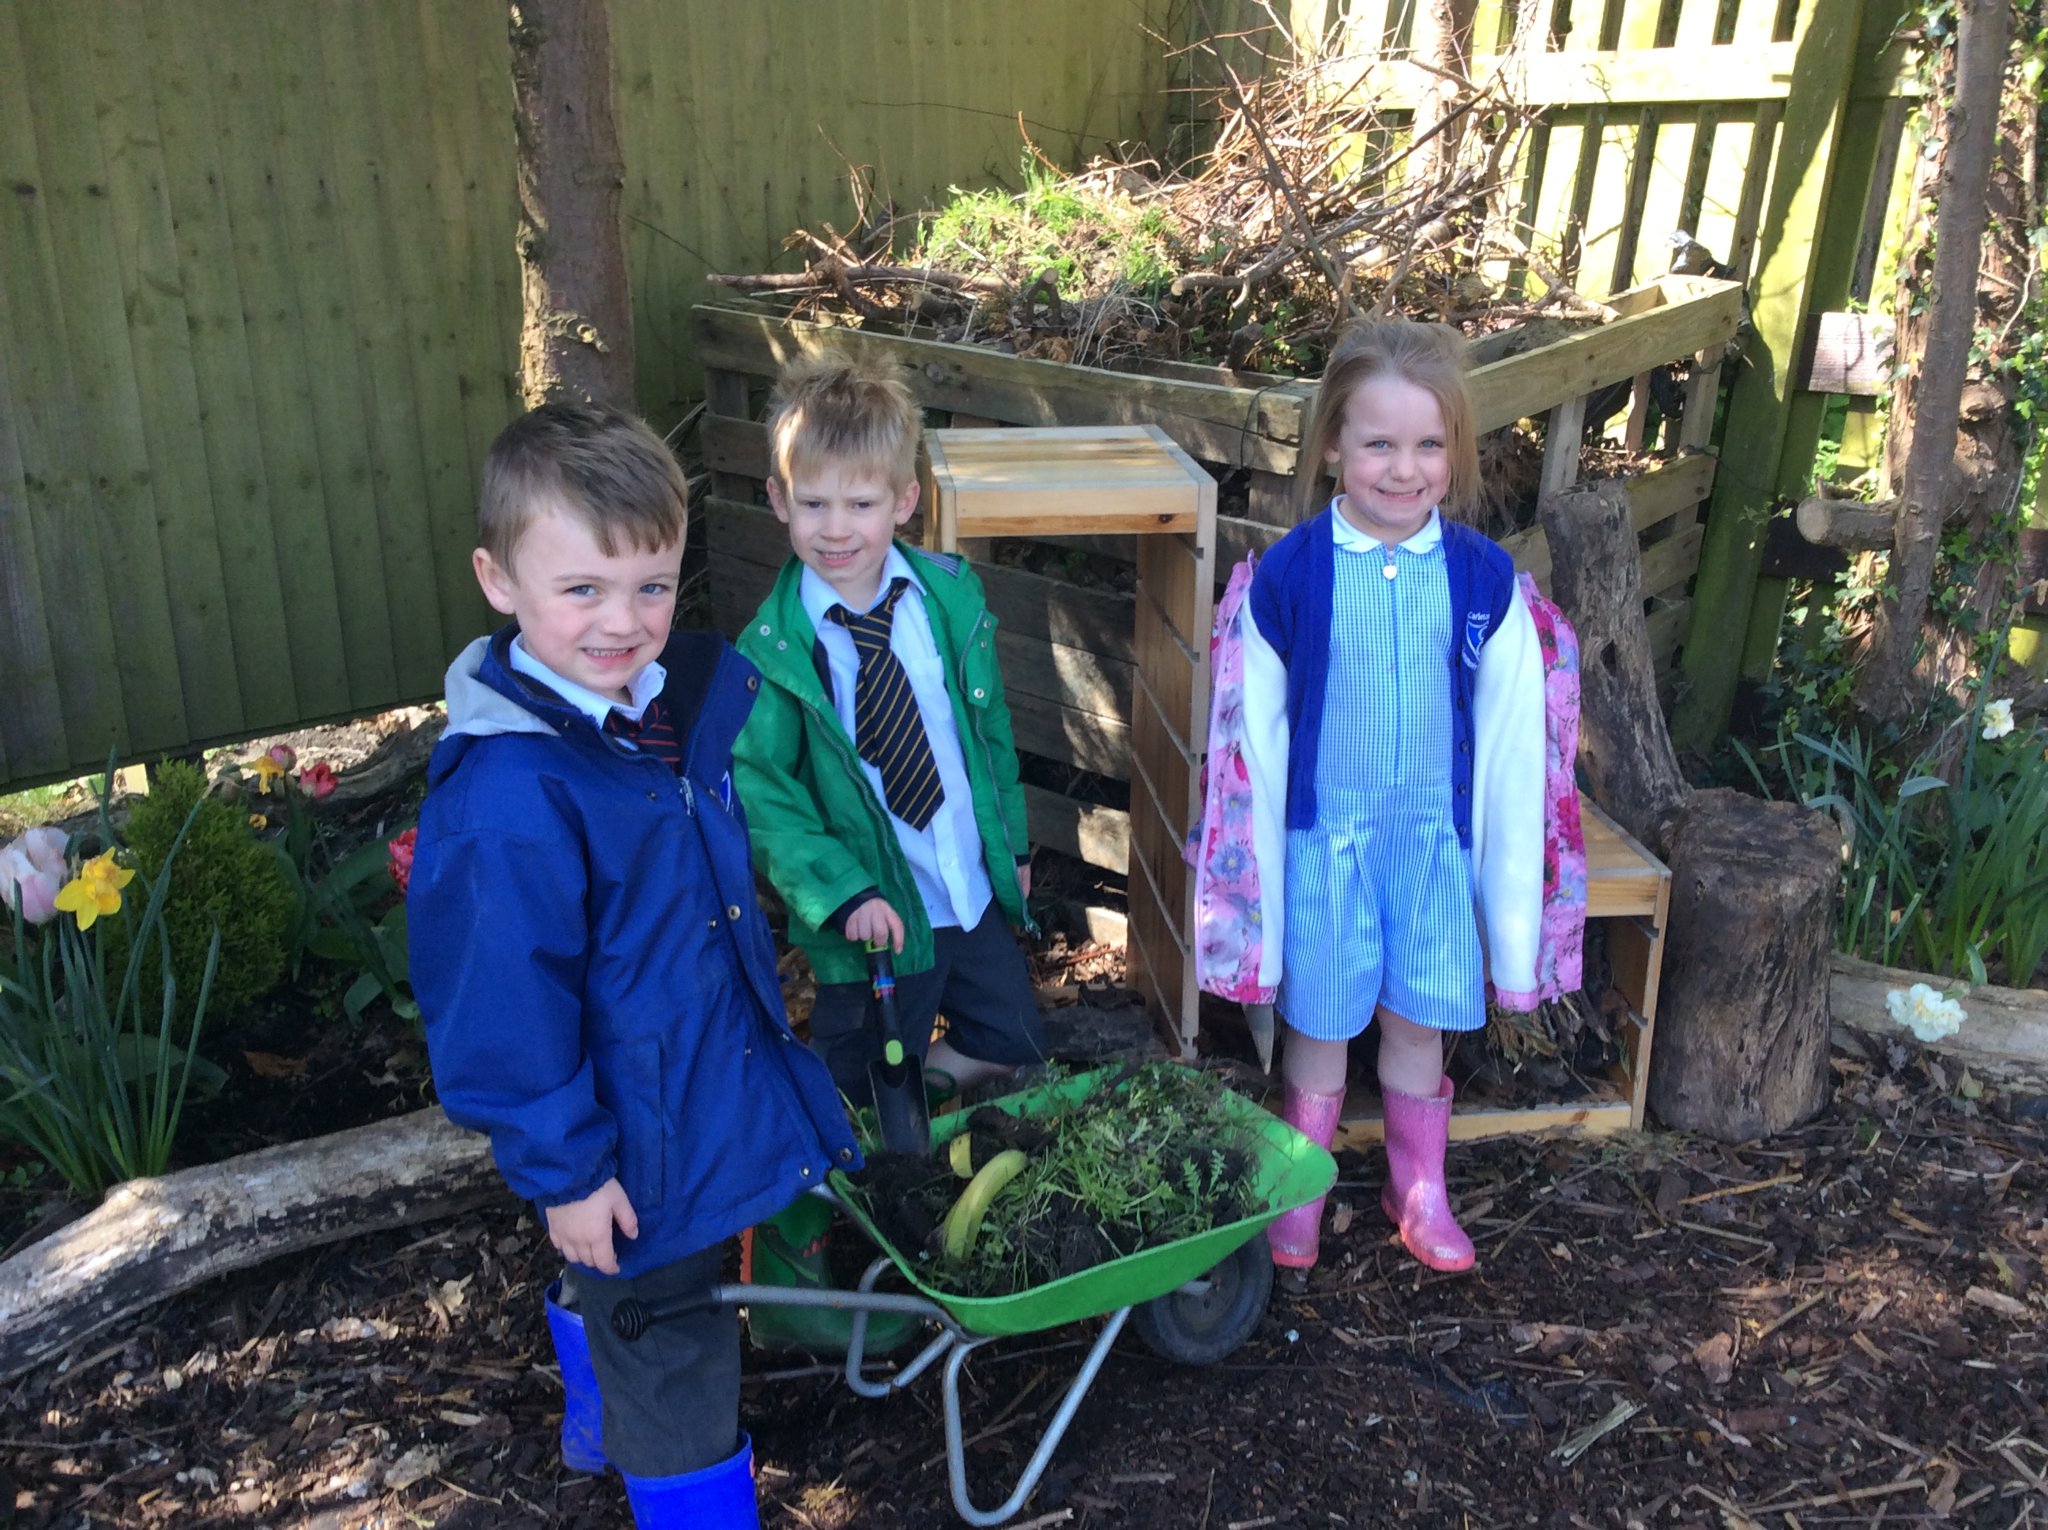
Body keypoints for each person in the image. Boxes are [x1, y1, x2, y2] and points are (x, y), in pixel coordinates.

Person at [407, 401, 856, 1529]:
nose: (623, 622)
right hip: (630, 1137)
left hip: (687, 1088)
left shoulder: (654, 712)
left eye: (650, 586)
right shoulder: (511, 798)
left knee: (642, 1293)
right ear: (496, 580)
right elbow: (500, 1014)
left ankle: (597, 1417)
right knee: (675, 1339)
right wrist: (562, 1171)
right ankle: (676, 1479)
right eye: (582, 591)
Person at [1239, 319, 1545, 1274]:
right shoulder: (1291, 575)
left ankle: (1420, 1189)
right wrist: (1256, 897)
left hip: (1431, 846)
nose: (1402, 468)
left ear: (1455, 452)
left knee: (1419, 1027)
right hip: (1327, 841)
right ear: (1333, 443)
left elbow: (1510, 741)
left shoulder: (1482, 581)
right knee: (1320, 1028)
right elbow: (1256, 736)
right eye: (1378, 443)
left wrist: (1510, 901)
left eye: (1427, 445)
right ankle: (1301, 1180)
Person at [733, 352, 1045, 1111]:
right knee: (854, 1078)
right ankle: (869, 1142)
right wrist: (844, 894)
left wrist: (1016, 846)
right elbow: (765, 796)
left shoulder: (946, 603)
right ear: (778, 500)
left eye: (861, 505)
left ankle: (917, 1099)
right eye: (813, 505)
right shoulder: (772, 652)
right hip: (875, 915)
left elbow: (990, 734)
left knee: (1016, 1042)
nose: (836, 530)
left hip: (963, 887)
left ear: (904, 500)